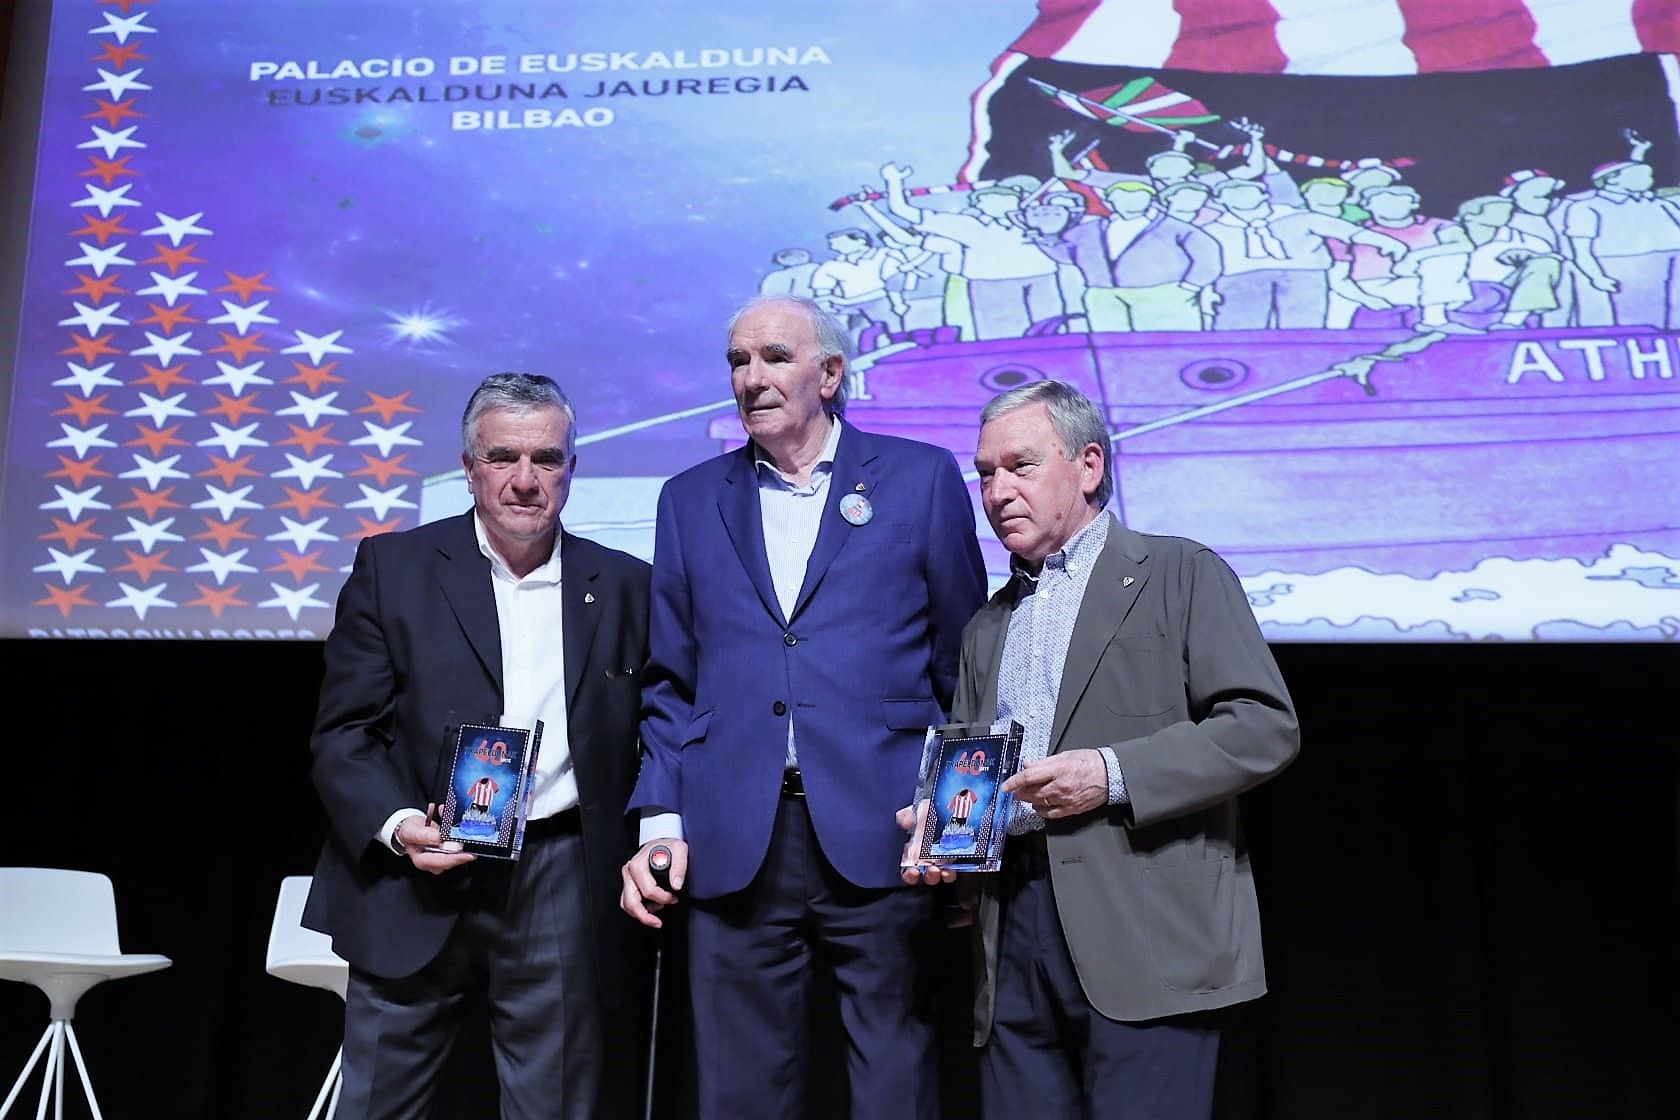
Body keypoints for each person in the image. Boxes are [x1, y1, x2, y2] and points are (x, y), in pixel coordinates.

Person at [619, 294, 988, 1119]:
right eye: (738, 362)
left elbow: (966, 667)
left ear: (830, 373)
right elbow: (672, 680)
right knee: (740, 1096)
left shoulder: (920, 478)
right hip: (732, 838)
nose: (752, 378)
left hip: (889, 830)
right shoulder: (688, 498)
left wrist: (964, 828)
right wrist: (659, 824)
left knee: (898, 1088)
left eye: (775, 358)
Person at [901, 379, 1299, 1119]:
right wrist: (944, 829)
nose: (995, 491)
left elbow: (1262, 726)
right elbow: (979, 770)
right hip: (1011, 929)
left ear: (1088, 466)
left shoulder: (1179, 573)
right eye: (985, 473)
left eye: (1019, 466)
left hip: (1145, 925)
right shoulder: (987, 625)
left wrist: (1111, 774)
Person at [303, 372, 654, 1120]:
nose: (525, 481)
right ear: (469, 467)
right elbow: (343, 736)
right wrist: (400, 828)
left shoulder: (626, 585)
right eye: (503, 458)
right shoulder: (393, 569)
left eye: (547, 460)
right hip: (415, 876)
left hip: (559, 875)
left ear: (571, 468)